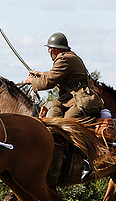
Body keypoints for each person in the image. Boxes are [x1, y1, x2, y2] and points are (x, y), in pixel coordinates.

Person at [25, 32, 103, 181]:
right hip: (71, 100)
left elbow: (49, 82)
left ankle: (89, 159)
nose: (48, 52)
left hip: (81, 101)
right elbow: (53, 74)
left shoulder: (65, 59)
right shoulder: (67, 58)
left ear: (56, 49)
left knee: (68, 123)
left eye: (50, 49)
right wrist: (40, 74)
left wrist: (31, 81)